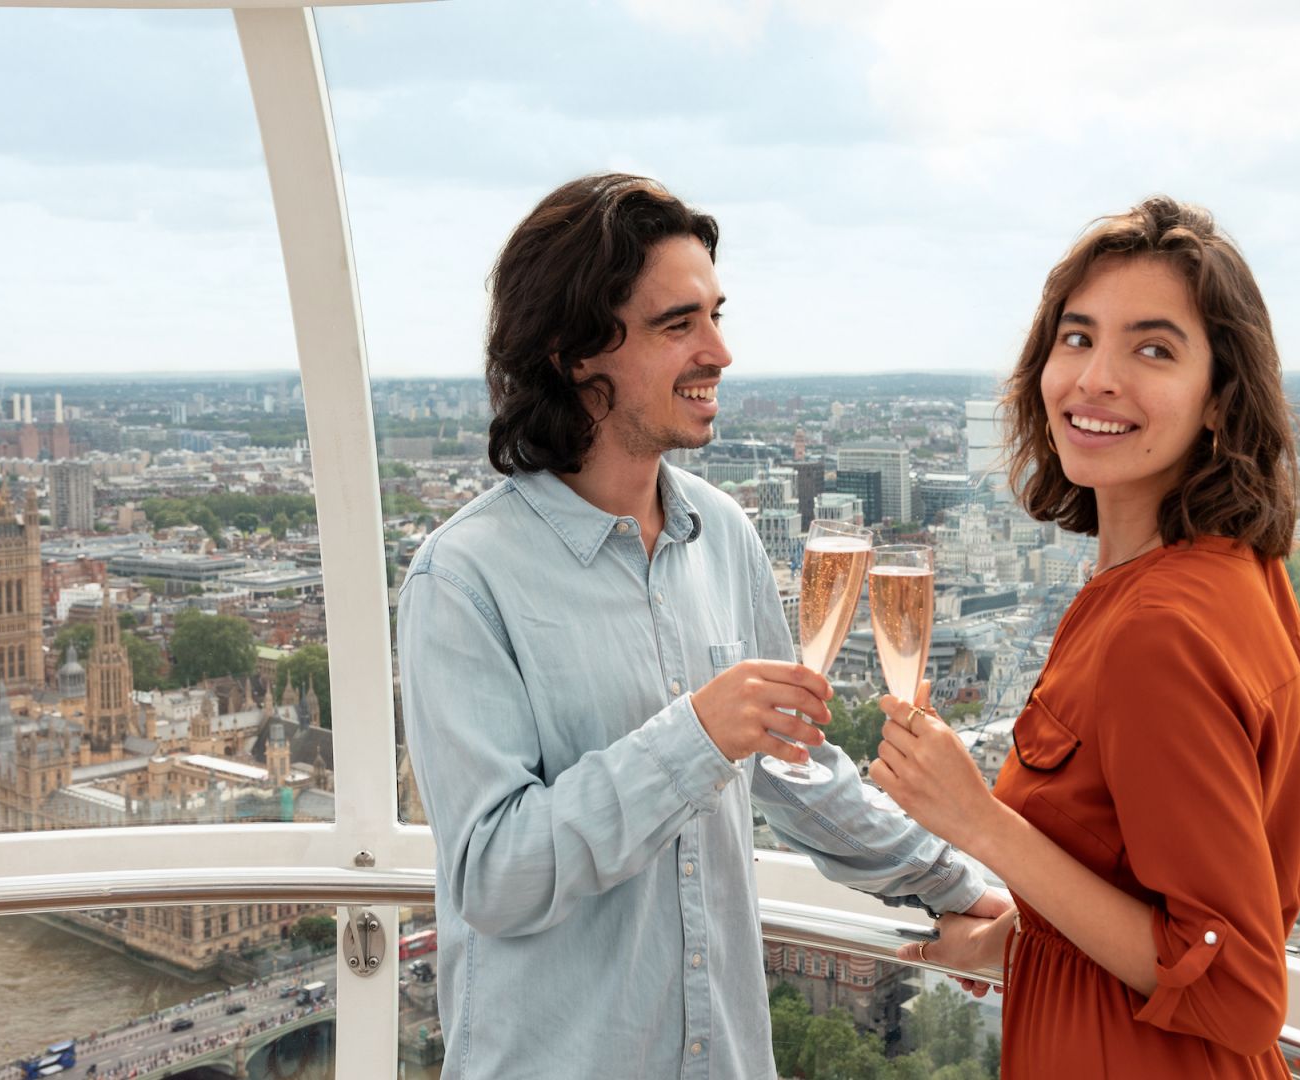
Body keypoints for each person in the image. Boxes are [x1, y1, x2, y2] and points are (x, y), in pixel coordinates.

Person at [398, 173, 1005, 1080]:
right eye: (678, 324)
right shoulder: (463, 578)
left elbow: (795, 769)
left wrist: (959, 888)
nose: (719, 351)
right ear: (573, 351)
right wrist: (695, 735)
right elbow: (494, 876)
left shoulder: (720, 534)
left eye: (716, 315)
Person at [871, 196, 1300, 1077]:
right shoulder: (1231, 573)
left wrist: (978, 822)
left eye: (1152, 349)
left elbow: (1237, 991)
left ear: (1222, 401)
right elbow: (1148, 900)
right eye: (1076, 338)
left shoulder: (1157, 630)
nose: (1094, 378)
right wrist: (1017, 944)